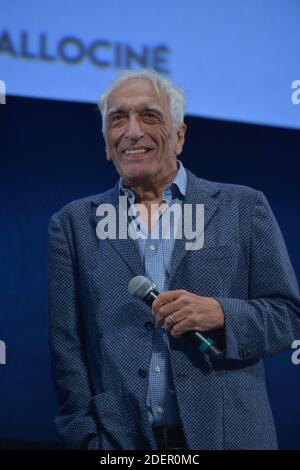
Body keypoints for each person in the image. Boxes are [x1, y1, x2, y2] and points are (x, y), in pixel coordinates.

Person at [48, 69, 300, 450]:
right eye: (118, 119)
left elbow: (289, 317)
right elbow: (66, 348)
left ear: (179, 136)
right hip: (120, 443)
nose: (132, 131)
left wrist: (222, 314)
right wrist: (87, 440)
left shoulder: (243, 207)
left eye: (149, 116)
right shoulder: (72, 225)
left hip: (229, 437)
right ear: (106, 143)